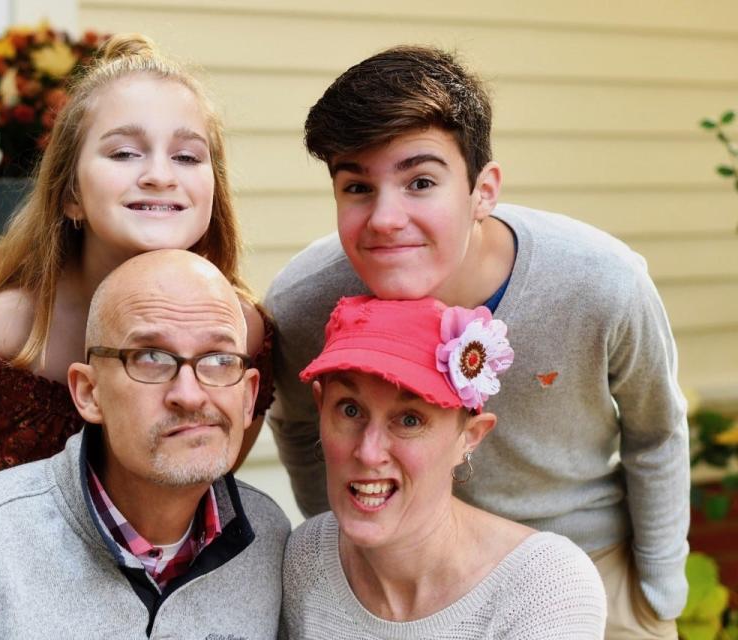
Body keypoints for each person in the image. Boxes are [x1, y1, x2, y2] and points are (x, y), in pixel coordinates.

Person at [265, 45, 688, 638]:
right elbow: (300, 426)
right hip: (410, 578)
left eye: (420, 182)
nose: (385, 218)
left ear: (483, 190)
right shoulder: (307, 304)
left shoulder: (601, 284)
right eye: (357, 187)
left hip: (590, 562)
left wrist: (659, 593)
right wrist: (355, 533)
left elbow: (656, 432)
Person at [0, 33, 274, 504]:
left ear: (213, 192)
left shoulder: (241, 333)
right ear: (71, 195)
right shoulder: (2, 327)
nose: (160, 175)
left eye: (186, 156)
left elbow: (207, 473)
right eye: (124, 153)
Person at [0, 249, 291, 639]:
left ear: (249, 395)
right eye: (150, 358)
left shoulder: (270, 544)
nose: (190, 394)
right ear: (89, 393)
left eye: (220, 360)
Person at [280, 295, 606, 638]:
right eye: (349, 410)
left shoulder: (544, 587)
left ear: (470, 437)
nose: (368, 451)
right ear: (320, 408)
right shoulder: (306, 559)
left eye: (409, 419)